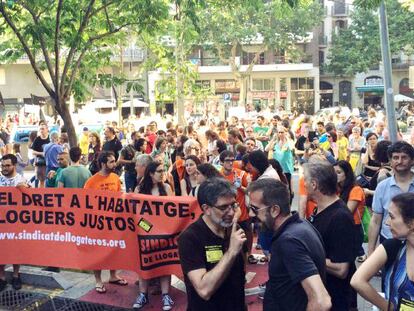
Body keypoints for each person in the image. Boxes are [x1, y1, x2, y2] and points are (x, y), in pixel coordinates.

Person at [247, 178, 331, 311]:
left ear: (274, 210)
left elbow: (321, 301)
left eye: (255, 209)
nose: (251, 214)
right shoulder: (301, 226)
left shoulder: (289, 241)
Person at [178, 178, 246, 311]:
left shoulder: (234, 229)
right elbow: (204, 290)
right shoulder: (190, 238)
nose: (231, 212)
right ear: (206, 209)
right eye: (223, 207)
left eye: (233, 205)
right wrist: (231, 251)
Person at [304, 161, 356, 310]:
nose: (303, 184)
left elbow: (341, 269)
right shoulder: (319, 209)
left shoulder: (340, 217)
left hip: (337, 299)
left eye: (305, 179)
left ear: (314, 184)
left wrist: (304, 256)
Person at [351, 193, 414, 310]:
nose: (387, 222)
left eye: (392, 216)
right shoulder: (393, 247)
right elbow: (357, 281)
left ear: (411, 223)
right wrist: (388, 307)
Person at [83, 151, 127, 294]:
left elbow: (120, 196)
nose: (115, 164)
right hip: (98, 224)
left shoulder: (115, 178)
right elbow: (85, 203)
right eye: (112, 161)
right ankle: (98, 280)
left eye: (114, 161)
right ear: (103, 163)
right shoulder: (91, 181)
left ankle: (113, 276)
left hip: (114, 223)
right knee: (98, 252)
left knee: (114, 250)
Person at [134, 161, 174, 310]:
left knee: (165, 264)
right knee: (144, 264)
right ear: (151, 173)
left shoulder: (167, 188)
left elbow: (173, 212)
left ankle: (166, 295)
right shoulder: (140, 190)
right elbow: (136, 214)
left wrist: (165, 230)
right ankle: (143, 295)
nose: (163, 173)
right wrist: (149, 228)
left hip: (164, 235)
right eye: (159, 171)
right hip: (146, 234)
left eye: (163, 171)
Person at [368, 141, 414, 256]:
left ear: (412, 161)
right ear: (390, 161)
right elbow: (376, 220)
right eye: (395, 157)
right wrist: (370, 252)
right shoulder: (382, 187)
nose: (399, 161)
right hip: (389, 242)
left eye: (404, 157)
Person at [0, 154, 28, 291]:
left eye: (7, 165)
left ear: (14, 165)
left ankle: (16, 275)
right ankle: (2, 277)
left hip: (16, 222)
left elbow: (32, 200)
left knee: (16, 250)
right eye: (2, 165)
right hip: (1, 223)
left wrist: (25, 189)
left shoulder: (21, 180)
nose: (4, 168)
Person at [334, 160, 366, 262]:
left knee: (347, 260)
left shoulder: (355, 189)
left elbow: (347, 212)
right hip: (343, 227)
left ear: (347, 174)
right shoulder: (338, 189)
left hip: (353, 228)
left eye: (338, 172)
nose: (335, 176)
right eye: (333, 173)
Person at [30, 121, 50, 188]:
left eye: (43, 129)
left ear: (47, 129)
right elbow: (33, 152)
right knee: (41, 180)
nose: (41, 130)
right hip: (40, 163)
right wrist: (41, 153)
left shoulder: (50, 139)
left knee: (49, 180)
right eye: (40, 129)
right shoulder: (37, 139)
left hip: (49, 163)